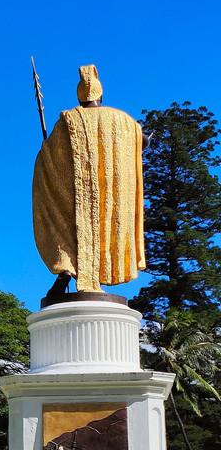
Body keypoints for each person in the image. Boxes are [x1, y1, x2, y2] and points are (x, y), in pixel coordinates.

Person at [32, 65, 146, 293]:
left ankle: (67, 267)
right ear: (101, 96)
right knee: (104, 226)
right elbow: (142, 142)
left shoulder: (68, 120)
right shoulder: (124, 121)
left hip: (76, 197)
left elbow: (49, 154)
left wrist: (46, 154)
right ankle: (96, 272)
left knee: (71, 226)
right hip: (109, 196)